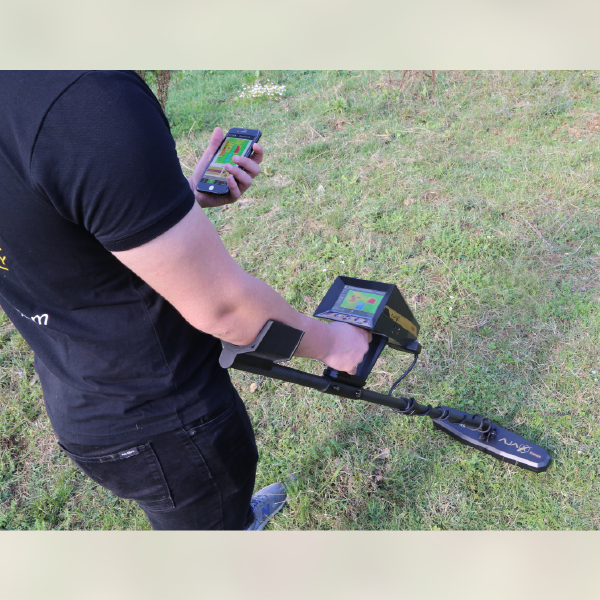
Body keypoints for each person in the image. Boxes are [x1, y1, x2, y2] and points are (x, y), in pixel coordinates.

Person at [0, 70, 370, 530]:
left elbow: (46, 234)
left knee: (207, 513)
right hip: (168, 425)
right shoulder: (86, 101)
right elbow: (225, 308)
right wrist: (336, 344)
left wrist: (167, 205)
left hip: (80, 396)